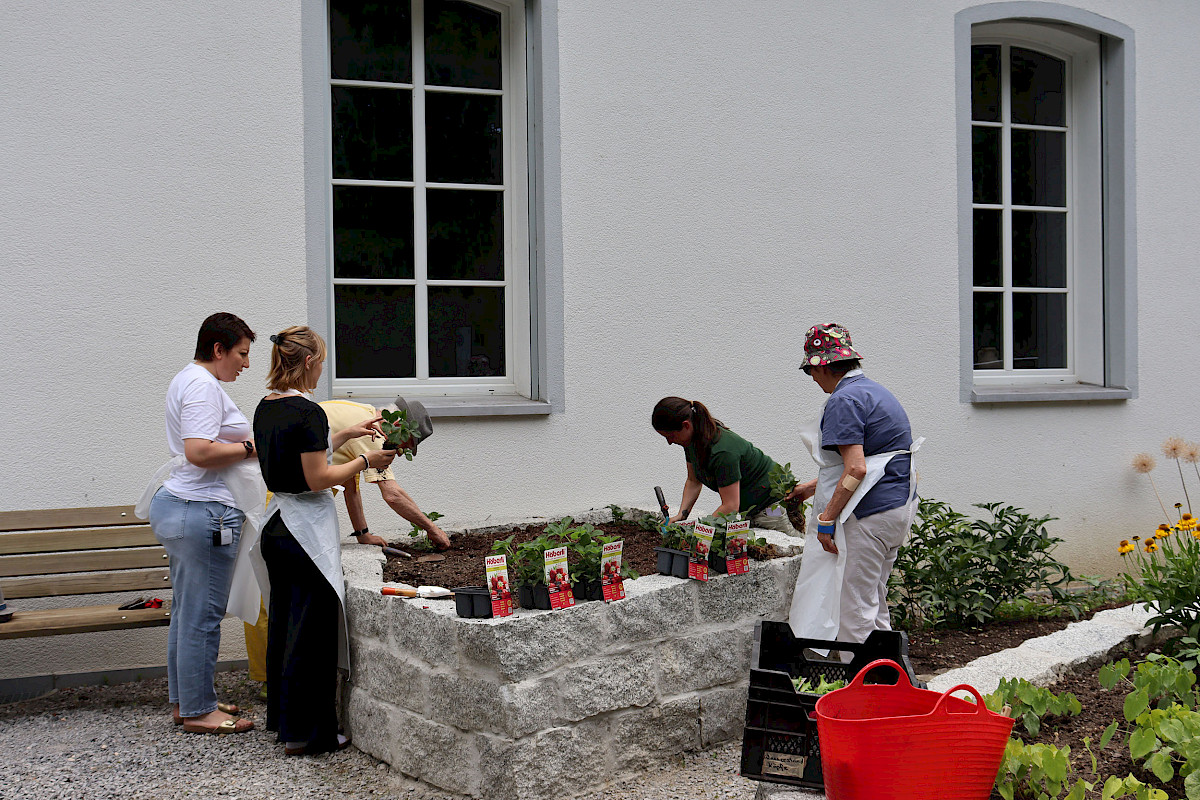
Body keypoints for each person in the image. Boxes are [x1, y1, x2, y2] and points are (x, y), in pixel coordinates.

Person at [252, 326, 395, 756]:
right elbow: (317, 476)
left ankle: (286, 722)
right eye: (322, 362)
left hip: (276, 527)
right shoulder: (307, 411)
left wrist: (347, 436)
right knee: (311, 635)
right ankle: (310, 735)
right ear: (310, 362)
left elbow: (303, 450)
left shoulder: (266, 406)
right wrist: (366, 459)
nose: (322, 371)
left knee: (285, 624)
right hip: (303, 533)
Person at [146, 312, 258, 734]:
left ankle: (187, 701)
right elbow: (199, 451)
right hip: (203, 511)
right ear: (218, 350)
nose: (246, 364)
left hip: (187, 507)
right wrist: (253, 446)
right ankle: (197, 710)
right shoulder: (202, 386)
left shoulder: (187, 380)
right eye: (242, 354)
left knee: (187, 612)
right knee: (203, 615)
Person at [786, 323, 921, 645]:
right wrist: (810, 488)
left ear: (821, 365)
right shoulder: (874, 390)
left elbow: (857, 469)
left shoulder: (843, 401)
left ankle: (866, 691)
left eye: (809, 371)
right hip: (896, 506)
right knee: (873, 602)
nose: (813, 379)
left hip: (869, 514)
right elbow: (873, 459)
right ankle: (890, 680)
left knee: (852, 612)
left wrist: (826, 519)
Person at [651, 397, 799, 534]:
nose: (669, 442)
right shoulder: (693, 442)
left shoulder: (722, 452)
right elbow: (693, 481)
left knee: (793, 549)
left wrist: (699, 530)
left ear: (686, 425)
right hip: (750, 506)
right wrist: (681, 516)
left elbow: (730, 506)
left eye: (670, 436)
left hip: (773, 504)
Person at [318, 398, 450, 549]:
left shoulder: (366, 414)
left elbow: (351, 487)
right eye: (406, 444)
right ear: (398, 426)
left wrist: (363, 534)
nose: (401, 453)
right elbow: (392, 495)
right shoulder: (372, 434)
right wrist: (433, 530)